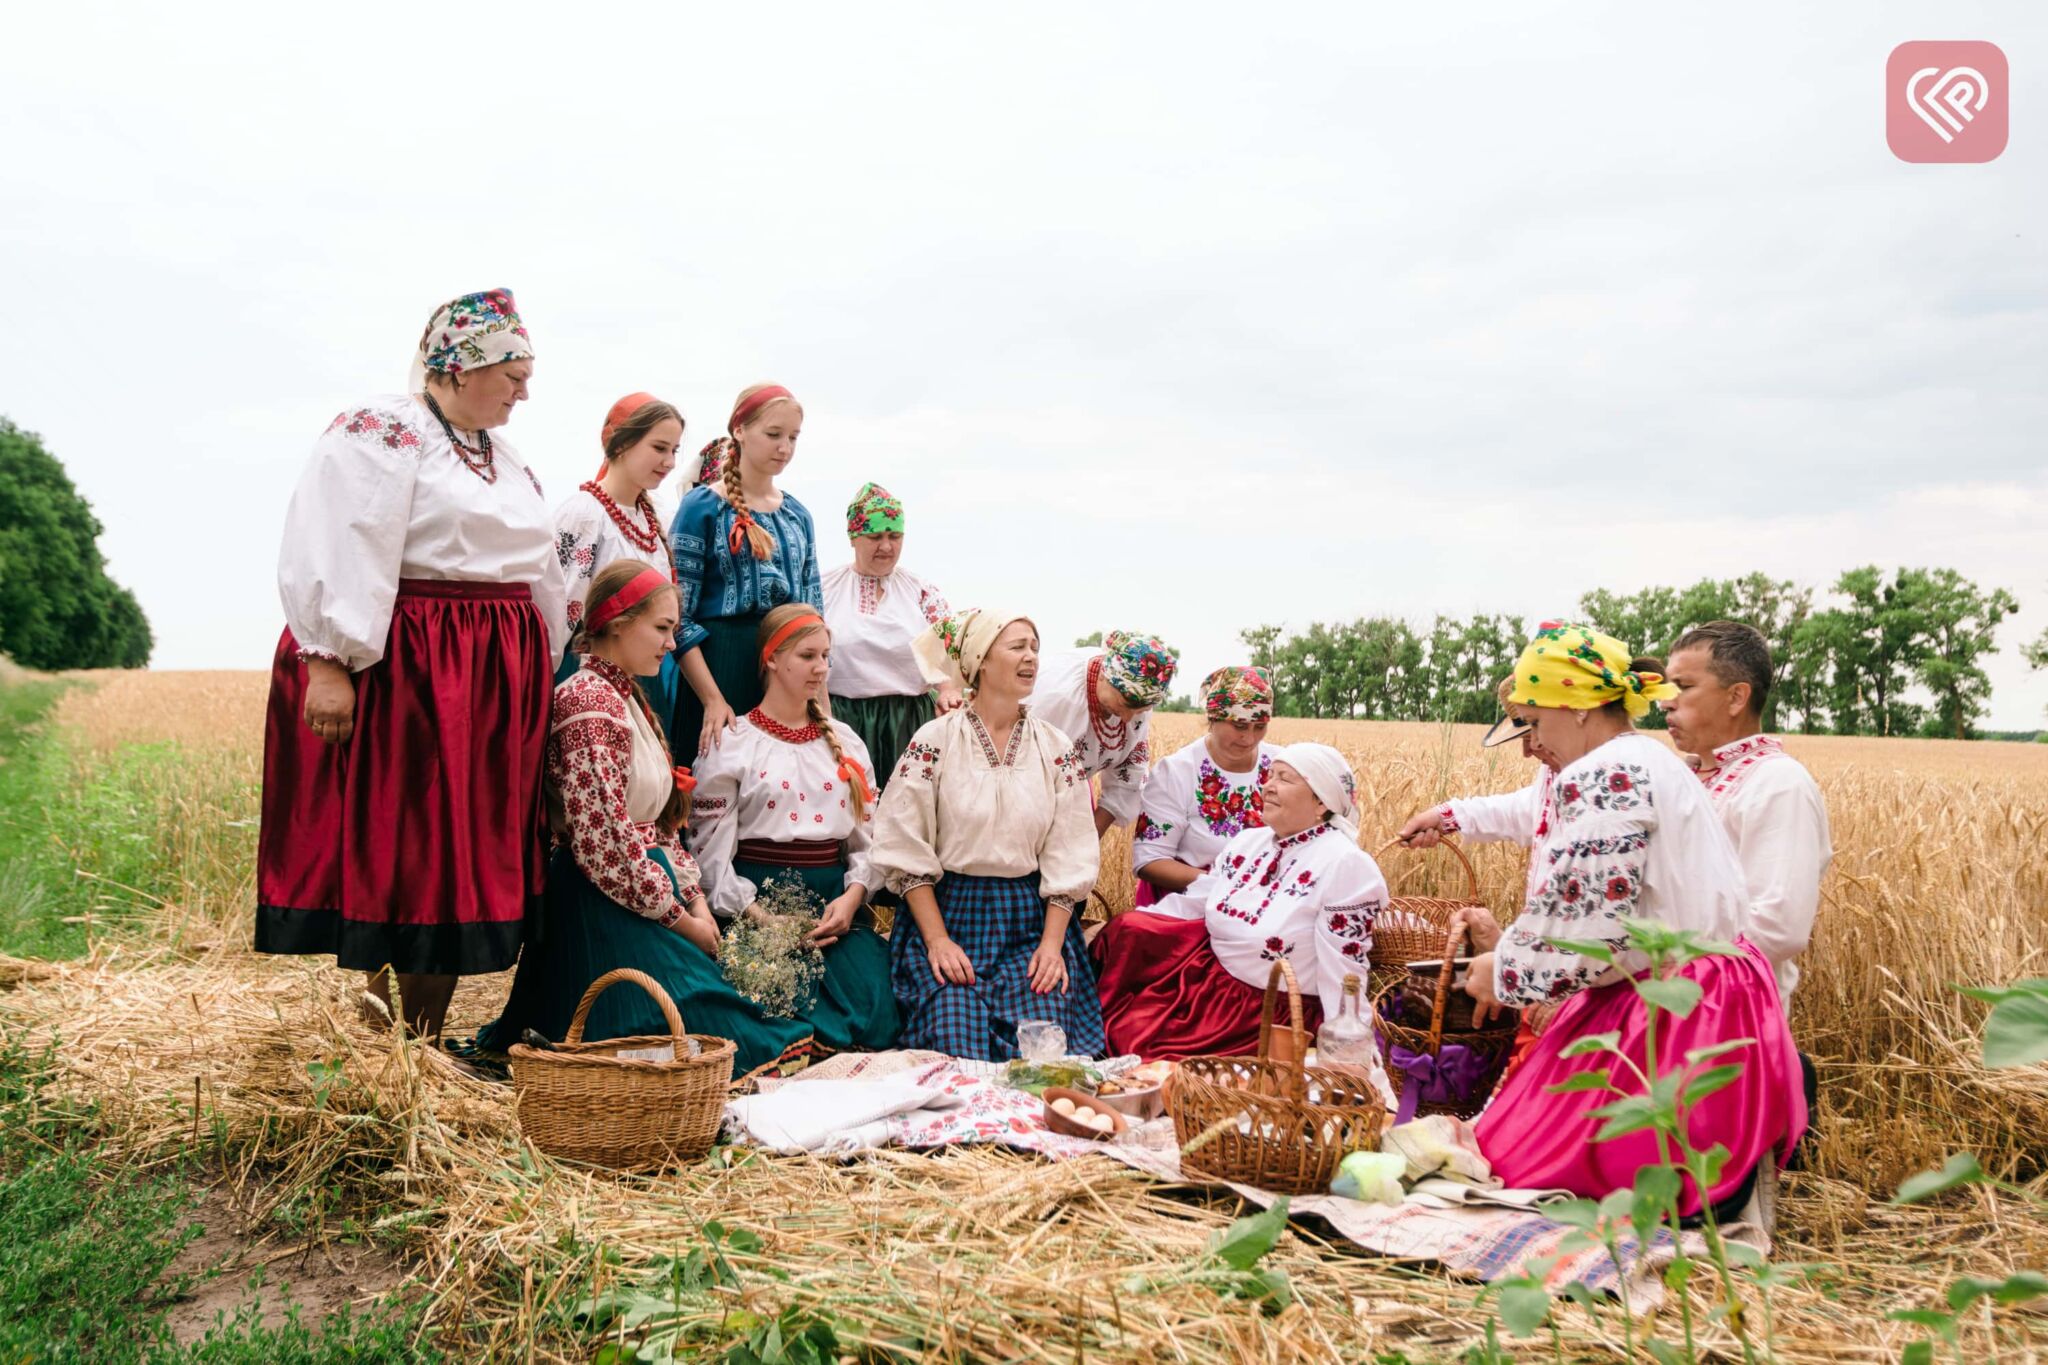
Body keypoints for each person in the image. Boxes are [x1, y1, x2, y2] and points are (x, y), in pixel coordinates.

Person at [257, 288, 568, 1041]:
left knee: (462, 857)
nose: (525, 391)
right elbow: (339, 533)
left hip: (492, 678)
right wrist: (327, 659)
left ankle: (422, 1040)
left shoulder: (508, 458)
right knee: (407, 848)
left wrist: (545, 664)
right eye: (513, 374)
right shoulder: (384, 432)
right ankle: (379, 1037)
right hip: (415, 669)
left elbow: (540, 574)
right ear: (459, 368)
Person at [1454, 623, 1806, 1217]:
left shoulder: (1603, 776)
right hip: (1706, 989)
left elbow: (1589, 923)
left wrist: (1505, 969)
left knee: (1522, 1164)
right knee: (1513, 1146)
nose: (1535, 742)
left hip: (1679, 1007)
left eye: (1537, 722)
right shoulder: (1652, 761)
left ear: (1581, 707)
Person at [474, 563, 815, 1075]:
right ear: (615, 621)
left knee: (728, 1015)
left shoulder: (627, 698)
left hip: (647, 890)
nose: (670, 643)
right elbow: (604, 843)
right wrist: (680, 920)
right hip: (600, 900)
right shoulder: (588, 703)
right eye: (661, 628)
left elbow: (659, 827)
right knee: (697, 1024)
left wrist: (694, 899)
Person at [1093, 743, 1396, 1099]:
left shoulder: (1346, 865)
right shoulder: (1250, 842)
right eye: (1269, 776)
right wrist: (1127, 925)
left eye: (1285, 779)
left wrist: (1350, 1064)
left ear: (1321, 802)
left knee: (1160, 1068)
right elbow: (1199, 901)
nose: (1268, 786)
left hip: (1270, 1017)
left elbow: (1343, 971)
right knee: (1126, 1014)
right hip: (1207, 989)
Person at [870, 609, 1104, 1060]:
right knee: (953, 1028)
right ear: (980, 660)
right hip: (949, 913)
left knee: (1040, 1036)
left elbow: (1071, 849)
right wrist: (937, 940)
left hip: (1028, 923)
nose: (1031, 657)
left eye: (1035, 647)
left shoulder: (1055, 749)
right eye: (1016, 646)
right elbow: (903, 840)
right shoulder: (934, 741)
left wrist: (1052, 947)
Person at [687, 604, 901, 1053]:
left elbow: (867, 844)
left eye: (826, 656)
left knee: (877, 1012)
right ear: (771, 658)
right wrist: (762, 919)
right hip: (756, 911)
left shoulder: (846, 742)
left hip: (835, 915)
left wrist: (853, 898)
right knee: (770, 1023)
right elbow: (709, 859)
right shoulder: (732, 743)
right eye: (807, 656)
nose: (821, 668)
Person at [1662, 621, 1832, 1008]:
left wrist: (1653, 961)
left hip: (1730, 1023)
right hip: (1662, 1013)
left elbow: (1777, 926)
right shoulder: (1680, 778)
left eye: (1684, 687)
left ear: (1737, 697)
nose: (1665, 701)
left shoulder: (1777, 783)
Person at [669, 384, 822, 769]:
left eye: (793, 437)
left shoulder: (798, 515)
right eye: (773, 434)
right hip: (718, 667)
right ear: (739, 430)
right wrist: (711, 698)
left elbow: (812, 617)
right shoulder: (701, 507)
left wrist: (820, 703)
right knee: (714, 789)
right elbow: (678, 616)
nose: (784, 448)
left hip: (785, 674)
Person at [819, 482, 963, 790]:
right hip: (843, 719)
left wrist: (949, 690)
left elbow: (947, 646)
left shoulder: (921, 591)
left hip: (907, 721)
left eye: (894, 536)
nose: (886, 546)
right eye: (875, 536)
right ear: (853, 538)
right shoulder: (823, 589)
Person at [552, 393, 686, 711]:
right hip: (590, 673)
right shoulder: (584, 515)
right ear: (622, 444)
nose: (670, 462)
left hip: (650, 676)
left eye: (674, 450)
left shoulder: (660, 519)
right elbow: (557, 611)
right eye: (659, 448)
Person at [1130, 666, 1281, 907]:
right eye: (1240, 726)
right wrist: (1224, 883)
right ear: (1213, 718)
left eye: (1260, 726)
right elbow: (1149, 860)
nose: (1249, 738)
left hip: (1268, 901)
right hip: (1189, 902)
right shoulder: (1177, 772)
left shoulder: (1281, 767)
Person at [1020, 631, 1180, 839]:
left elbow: (1130, 772)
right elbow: (1020, 770)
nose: (1128, 718)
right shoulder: (1056, 697)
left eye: (1140, 710)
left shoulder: (1139, 695)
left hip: (1072, 795)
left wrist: (1087, 841)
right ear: (1104, 676)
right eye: (1124, 705)